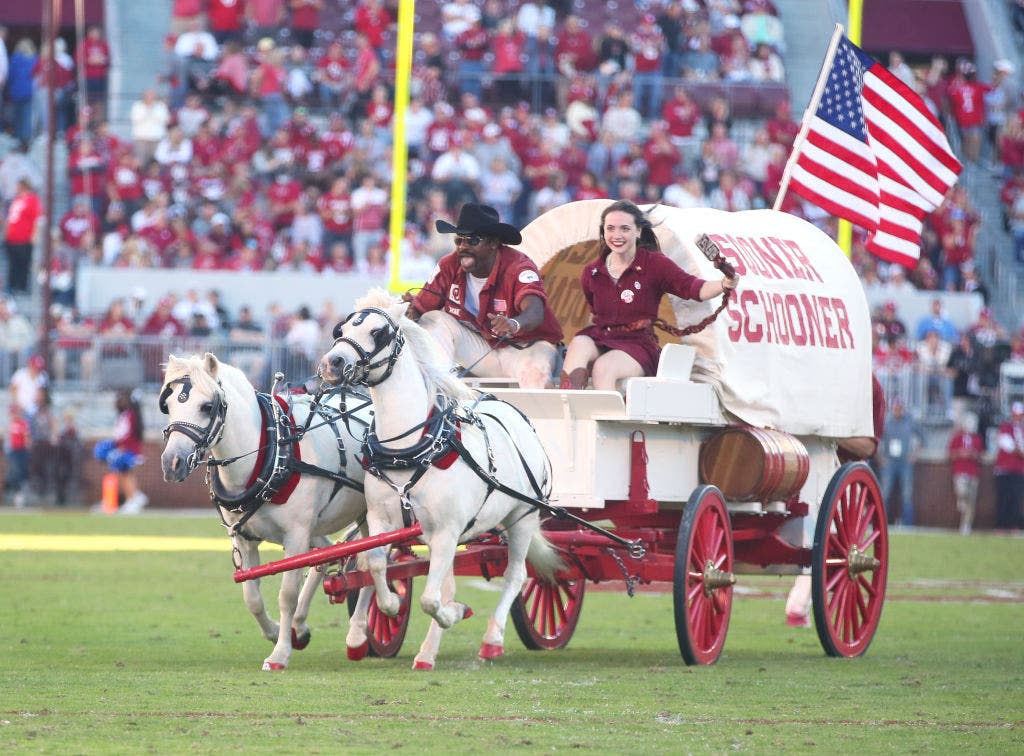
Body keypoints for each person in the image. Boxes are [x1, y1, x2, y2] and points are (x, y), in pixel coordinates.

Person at [560, 200, 738, 391]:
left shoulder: (655, 264)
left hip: (637, 343)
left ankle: (606, 419)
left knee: (603, 368)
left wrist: (724, 284)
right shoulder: (592, 271)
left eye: (625, 229)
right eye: (610, 228)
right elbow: (593, 314)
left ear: (638, 232)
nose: (617, 235)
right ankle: (567, 408)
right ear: (603, 231)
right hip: (602, 336)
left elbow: (694, 288)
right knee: (578, 344)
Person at [405, 202, 563, 388]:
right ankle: (440, 391)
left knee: (534, 374)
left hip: (527, 348)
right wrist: (407, 311)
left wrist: (514, 323)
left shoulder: (518, 266)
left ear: (494, 243)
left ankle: (537, 416)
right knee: (433, 319)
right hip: (484, 350)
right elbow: (420, 309)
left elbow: (535, 311)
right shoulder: (449, 264)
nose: (463, 246)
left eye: (472, 240)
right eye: (459, 240)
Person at [786, 373, 886, 627]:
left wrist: (828, 434)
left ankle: (799, 603)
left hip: (837, 479)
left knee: (823, 534)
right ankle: (798, 604)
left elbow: (867, 447)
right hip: (793, 466)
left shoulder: (870, 387)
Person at [92, 388, 147, 514]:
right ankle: (131, 497)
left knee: (123, 472)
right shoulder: (125, 415)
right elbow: (119, 435)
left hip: (129, 450)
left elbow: (129, 436)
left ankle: (132, 498)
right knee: (121, 473)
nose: (118, 402)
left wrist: (120, 448)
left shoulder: (132, 415)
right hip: (124, 448)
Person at [878, 397, 924, 527]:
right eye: (895, 408)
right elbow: (876, 440)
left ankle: (907, 524)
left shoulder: (910, 422)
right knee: (884, 493)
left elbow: (923, 438)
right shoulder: (886, 422)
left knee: (907, 494)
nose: (897, 410)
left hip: (905, 462)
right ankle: (882, 523)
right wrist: (880, 458)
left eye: (899, 408)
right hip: (889, 462)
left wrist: (915, 455)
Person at [4, 177, 43, 294]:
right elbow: (10, 218)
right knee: (13, 264)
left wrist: (35, 235)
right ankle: (12, 287)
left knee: (23, 264)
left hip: (24, 238)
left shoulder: (32, 199)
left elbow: (37, 218)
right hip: (12, 238)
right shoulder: (16, 199)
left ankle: (22, 288)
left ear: (23, 186)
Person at [948, 412, 983, 536]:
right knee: (962, 491)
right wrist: (961, 453)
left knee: (971, 501)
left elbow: (980, 455)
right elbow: (950, 453)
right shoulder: (957, 437)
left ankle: (966, 525)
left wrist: (972, 454)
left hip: (973, 471)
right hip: (960, 470)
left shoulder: (977, 439)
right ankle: (960, 500)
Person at [993, 401, 1024, 530]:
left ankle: (1013, 525)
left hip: (1019, 470)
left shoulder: (1021, 429)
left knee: (1016, 498)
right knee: (1003, 498)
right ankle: (1001, 525)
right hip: (1004, 469)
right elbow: (1009, 446)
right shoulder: (1005, 427)